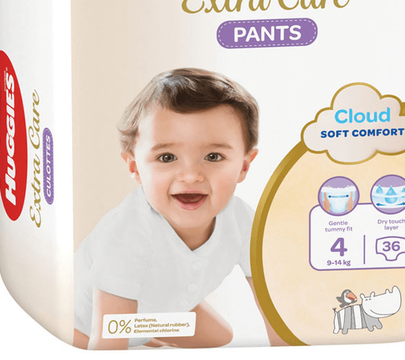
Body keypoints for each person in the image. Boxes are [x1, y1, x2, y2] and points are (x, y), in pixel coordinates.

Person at [73, 68, 285, 350]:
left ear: (244, 166)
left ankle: (146, 333)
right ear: (135, 167)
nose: (190, 176)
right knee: (82, 340)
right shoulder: (126, 232)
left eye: (213, 156)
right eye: (167, 157)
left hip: (154, 308)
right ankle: (130, 337)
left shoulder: (244, 222)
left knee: (220, 336)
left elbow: (275, 310)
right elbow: (108, 336)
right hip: (85, 321)